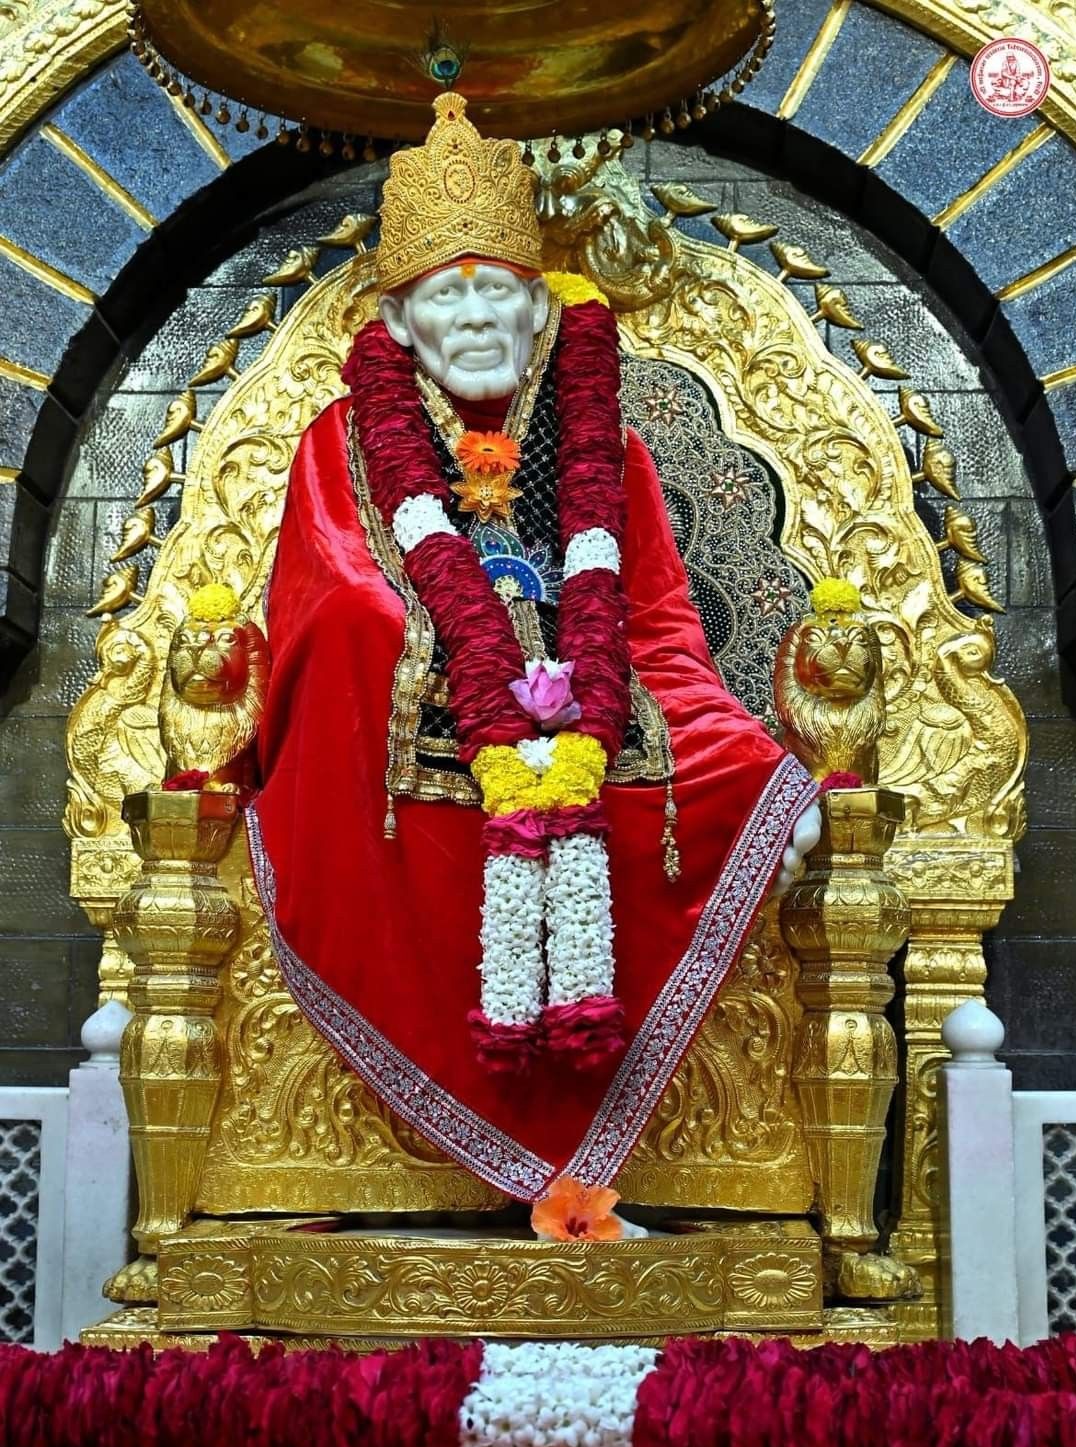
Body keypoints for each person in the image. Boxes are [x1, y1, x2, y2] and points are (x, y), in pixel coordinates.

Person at [248, 93, 819, 1206]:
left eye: (492, 291)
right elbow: (335, 597)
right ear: (400, 323)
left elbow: (657, 623)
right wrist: (476, 660)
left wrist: (753, 761)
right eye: (443, 295)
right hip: (417, 719)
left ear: (538, 308)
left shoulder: (608, 447)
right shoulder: (343, 440)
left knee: (750, 781)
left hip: (598, 713)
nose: (470, 317)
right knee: (357, 650)